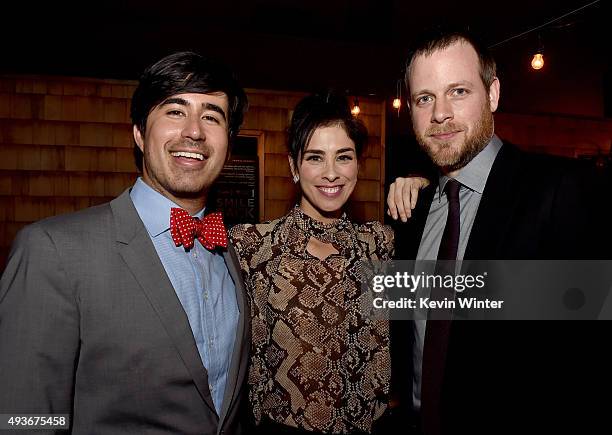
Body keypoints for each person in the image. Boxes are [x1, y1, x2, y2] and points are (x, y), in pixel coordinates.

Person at [0, 51, 250, 434]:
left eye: (212, 117)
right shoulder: (53, 251)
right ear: (138, 132)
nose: (195, 131)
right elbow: (22, 418)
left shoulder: (235, 252)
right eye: (175, 111)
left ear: (228, 143)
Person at [387, 28, 610, 434]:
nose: (440, 114)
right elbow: (403, 340)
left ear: (492, 95)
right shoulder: (411, 212)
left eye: (458, 91)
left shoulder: (560, 190)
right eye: (425, 98)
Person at [229, 92, 394, 434]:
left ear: (358, 165)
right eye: (315, 158)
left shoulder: (379, 243)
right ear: (293, 166)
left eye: (343, 157)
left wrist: (422, 185)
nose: (331, 173)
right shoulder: (253, 247)